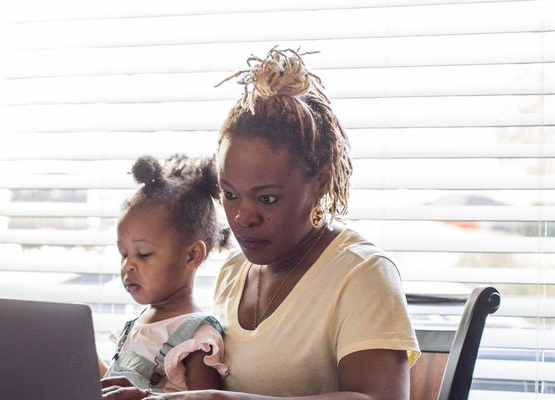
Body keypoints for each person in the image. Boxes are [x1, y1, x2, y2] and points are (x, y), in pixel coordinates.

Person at [102, 48, 419, 400]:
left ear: (321, 183)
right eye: (230, 194)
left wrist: (213, 399)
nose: (242, 218)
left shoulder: (362, 274)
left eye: (267, 199)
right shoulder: (234, 272)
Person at [101, 154, 233, 395]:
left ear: (192, 255)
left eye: (143, 254)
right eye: (123, 254)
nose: (128, 265)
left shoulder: (196, 338)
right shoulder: (139, 323)